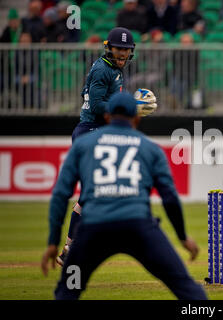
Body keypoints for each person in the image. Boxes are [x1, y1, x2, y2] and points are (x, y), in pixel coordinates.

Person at [41, 92, 207, 300]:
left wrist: (52, 242)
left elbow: (60, 194)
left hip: (94, 232)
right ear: (137, 118)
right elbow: (170, 198)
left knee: (68, 289)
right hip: (139, 230)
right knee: (185, 286)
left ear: (107, 116)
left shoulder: (84, 145)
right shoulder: (150, 149)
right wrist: (182, 237)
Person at [55, 27, 156, 266]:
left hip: (99, 132)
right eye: (118, 49)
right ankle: (73, 247)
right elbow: (96, 104)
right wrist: (127, 107)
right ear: (108, 48)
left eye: (126, 50)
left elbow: (86, 94)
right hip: (90, 132)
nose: (122, 55)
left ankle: (77, 246)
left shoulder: (111, 69)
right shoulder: (103, 69)